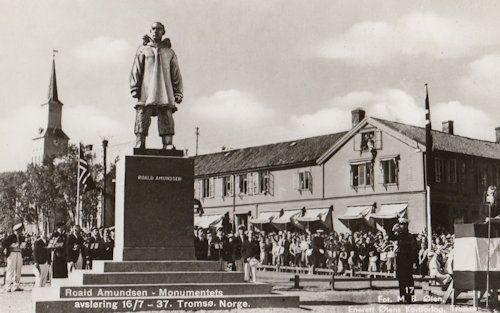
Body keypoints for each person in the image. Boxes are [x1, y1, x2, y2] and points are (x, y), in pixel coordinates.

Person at [130, 21, 183, 150]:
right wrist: (134, 87)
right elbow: (136, 69)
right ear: (150, 31)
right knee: (142, 112)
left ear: (163, 32)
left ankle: (167, 142)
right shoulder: (143, 50)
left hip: (164, 89)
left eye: (159, 29)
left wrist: (178, 92)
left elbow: (175, 73)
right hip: (146, 90)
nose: (155, 31)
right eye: (153, 29)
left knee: (166, 113)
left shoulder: (169, 52)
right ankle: (140, 141)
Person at [389, 218, 415, 303]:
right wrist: (393, 229)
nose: (401, 226)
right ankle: (402, 297)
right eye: (400, 224)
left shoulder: (410, 236)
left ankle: (410, 297)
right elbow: (390, 237)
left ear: (407, 225)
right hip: (400, 260)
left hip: (408, 260)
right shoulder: (398, 235)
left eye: (403, 224)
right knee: (401, 280)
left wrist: (414, 261)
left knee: (409, 280)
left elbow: (413, 250)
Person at [2, 223, 25, 292]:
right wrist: (11, 246)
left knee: (18, 270)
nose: (20, 232)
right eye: (19, 230)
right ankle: (8, 286)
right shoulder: (11, 237)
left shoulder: (21, 237)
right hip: (12, 254)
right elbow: (3, 243)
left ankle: (16, 285)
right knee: (10, 270)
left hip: (19, 253)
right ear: (16, 230)